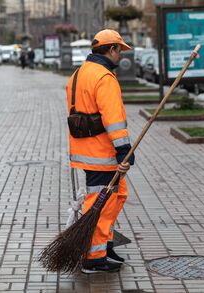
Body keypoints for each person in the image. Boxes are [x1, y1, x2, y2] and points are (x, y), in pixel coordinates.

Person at [66, 29, 134, 274]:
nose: (120, 56)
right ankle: (93, 258)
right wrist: (124, 149)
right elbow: (113, 119)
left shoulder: (78, 74)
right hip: (101, 152)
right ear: (112, 49)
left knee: (118, 194)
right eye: (120, 50)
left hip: (84, 149)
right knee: (100, 204)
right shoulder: (104, 77)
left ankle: (104, 244)